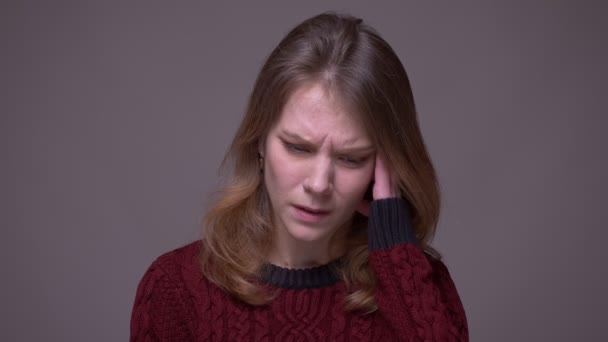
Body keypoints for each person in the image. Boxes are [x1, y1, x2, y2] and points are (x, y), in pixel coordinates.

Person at [130, 12, 468, 341]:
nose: (319, 184)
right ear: (260, 141)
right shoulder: (176, 289)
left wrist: (397, 258)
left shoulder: (421, 291)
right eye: (298, 148)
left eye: (351, 158)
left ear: (383, 167)